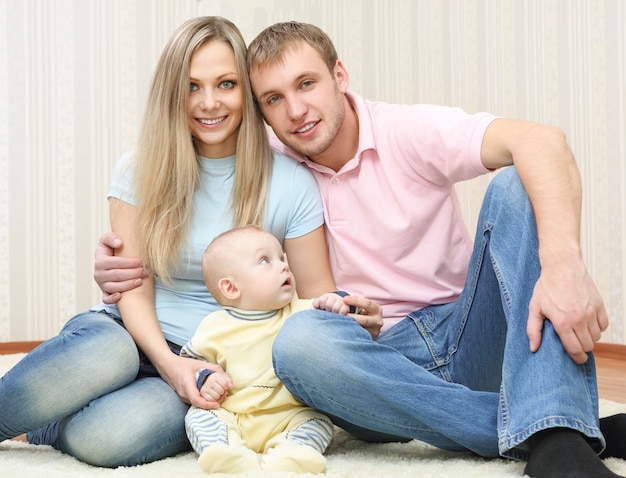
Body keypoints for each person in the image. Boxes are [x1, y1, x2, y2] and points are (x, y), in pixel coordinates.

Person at [93, 20, 626, 478]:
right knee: (300, 342)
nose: (296, 110)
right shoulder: (268, 168)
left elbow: (542, 140)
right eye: (274, 99)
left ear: (339, 77)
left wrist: (563, 265)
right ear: (260, 112)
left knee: (515, 183)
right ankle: (548, 425)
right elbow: (210, 244)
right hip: (368, 363)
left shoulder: (407, 130)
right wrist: (124, 266)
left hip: (465, 331)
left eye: (307, 84)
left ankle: (554, 432)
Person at [0, 16, 352, 468]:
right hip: (130, 335)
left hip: (213, 372)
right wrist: (168, 363)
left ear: (244, 91)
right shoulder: (138, 170)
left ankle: (47, 423)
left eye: (225, 84)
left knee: (111, 437)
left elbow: (312, 295)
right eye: (191, 86)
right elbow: (133, 289)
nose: (209, 103)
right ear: (173, 92)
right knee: (109, 354)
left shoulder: (292, 183)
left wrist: (343, 312)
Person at [182, 225, 351, 473]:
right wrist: (206, 380)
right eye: (265, 260)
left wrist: (335, 303)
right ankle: (226, 453)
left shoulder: (303, 310)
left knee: (319, 422)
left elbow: (335, 327)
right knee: (198, 417)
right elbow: (191, 365)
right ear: (231, 288)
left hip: (288, 416)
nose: (284, 265)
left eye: (283, 258)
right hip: (234, 415)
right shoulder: (213, 327)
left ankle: (291, 455)